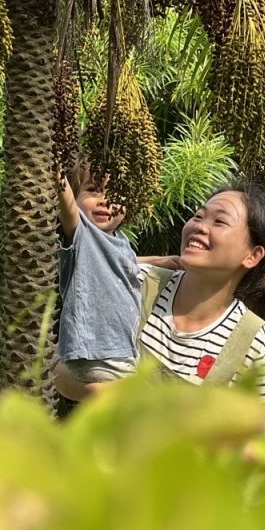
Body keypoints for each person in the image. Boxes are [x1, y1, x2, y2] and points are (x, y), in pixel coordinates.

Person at [55, 182, 265, 401]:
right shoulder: (136, 284)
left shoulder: (253, 343)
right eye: (198, 216)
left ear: (252, 256)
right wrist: (114, 395)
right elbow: (60, 368)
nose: (199, 226)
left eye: (219, 221)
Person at [56, 162, 180, 387]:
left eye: (115, 193)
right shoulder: (80, 231)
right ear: (74, 196)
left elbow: (123, 261)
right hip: (97, 352)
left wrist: (159, 261)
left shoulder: (119, 240)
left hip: (121, 350)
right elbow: (67, 206)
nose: (105, 200)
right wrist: (55, 168)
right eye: (93, 190)